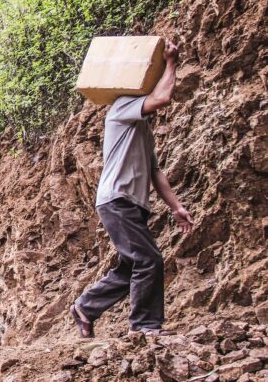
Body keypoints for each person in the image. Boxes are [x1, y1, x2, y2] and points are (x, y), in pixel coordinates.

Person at [72, 40, 194, 338]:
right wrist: (171, 64)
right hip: (117, 200)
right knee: (148, 259)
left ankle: (86, 307)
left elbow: (155, 172)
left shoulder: (143, 128)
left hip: (131, 203)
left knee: (132, 265)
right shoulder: (122, 107)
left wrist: (176, 207)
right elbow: (162, 98)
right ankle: (145, 326)